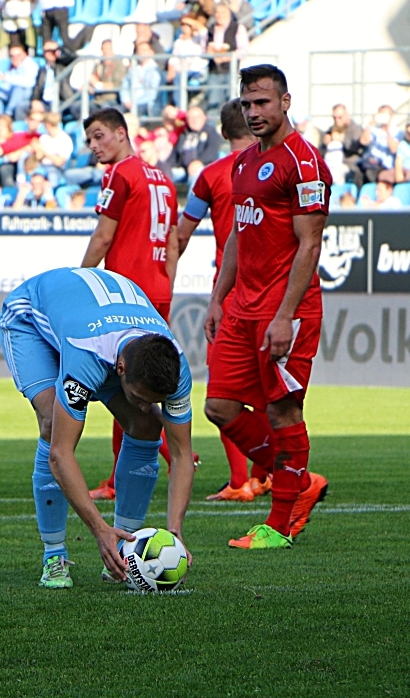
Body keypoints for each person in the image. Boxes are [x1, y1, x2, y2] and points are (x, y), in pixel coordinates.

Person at [0, 267, 195, 589]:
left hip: (95, 320)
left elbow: (183, 454)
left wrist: (174, 532)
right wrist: (98, 528)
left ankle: (123, 551)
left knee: (145, 425)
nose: (146, 405)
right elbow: (61, 455)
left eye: (153, 400)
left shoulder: (177, 368)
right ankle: (54, 557)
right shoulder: (87, 359)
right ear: (120, 370)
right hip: (29, 320)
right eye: (140, 397)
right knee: (52, 422)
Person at [203, 64, 330, 550]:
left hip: (285, 311)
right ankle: (300, 479)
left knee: (282, 411)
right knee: (219, 407)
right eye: (246, 104)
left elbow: (310, 245)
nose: (253, 112)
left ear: (285, 103)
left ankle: (278, 526)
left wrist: (284, 316)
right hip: (241, 308)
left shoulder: (304, 163)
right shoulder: (243, 163)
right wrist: (218, 297)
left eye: (262, 103)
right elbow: (238, 233)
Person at [79, 108, 179, 502]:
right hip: (158, 290)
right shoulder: (164, 179)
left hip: (127, 293)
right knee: (145, 381)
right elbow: (171, 243)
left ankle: (171, 458)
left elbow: (104, 236)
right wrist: (166, 283)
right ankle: (125, 475)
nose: (94, 145)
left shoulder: (120, 175)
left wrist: (82, 279)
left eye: (99, 135)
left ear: (122, 133)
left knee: (121, 383)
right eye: (89, 139)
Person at [176, 99, 265, 503]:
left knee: (223, 389)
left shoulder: (211, 176)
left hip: (230, 293)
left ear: (223, 132)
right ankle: (266, 475)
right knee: (268, 387)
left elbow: (182, 233)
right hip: (271, 290)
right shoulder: (273, 167)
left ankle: (238, 480)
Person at [204, 2, 248, 107]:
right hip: (214, 71)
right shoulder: (210, 29)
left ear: (229, 13)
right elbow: (203, 49)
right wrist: (208, 52)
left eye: (222, 12)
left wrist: (227, 57)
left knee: (233, 101)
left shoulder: (238, 28)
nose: (219, 15)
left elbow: (243, 50)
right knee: (212, 103)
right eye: (217, 12)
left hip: (231, 71)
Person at [169, 103, 223, 181]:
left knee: (196, 174)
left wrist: (198, 162)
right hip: (183, 169)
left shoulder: (211, 132)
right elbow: (175, 155)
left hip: (204, 168)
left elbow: (212, 151)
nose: (194, 120)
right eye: (191, 117)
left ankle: (192, 193)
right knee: (166, 174)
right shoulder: (184, 134)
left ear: (204, 117)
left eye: (197, 117)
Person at [0, 43, 40, 120]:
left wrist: (3, 77)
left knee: (19, 89)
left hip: (26, 95)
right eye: (12, 56)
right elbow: (8, 86)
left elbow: (29, 83)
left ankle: (8, 114)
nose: (15, 58)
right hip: (12, 95)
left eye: (18, 55)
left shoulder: (31, 65)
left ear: (24, 54)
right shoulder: (11, 66)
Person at [357, 105, 399, 185]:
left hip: (383, 165)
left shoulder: (396, 131)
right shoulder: (374, 129)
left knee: (370, 173)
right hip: (369, 161)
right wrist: (371, 123)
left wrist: (387, 130)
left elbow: (393, 149)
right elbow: (363, 141)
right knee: (358, 172)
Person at [328, 104, 366, 186]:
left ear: (347, 115)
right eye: (334, 118)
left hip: (349, 163)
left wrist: (341, 139)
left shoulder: (355, 129)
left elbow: (354, 147)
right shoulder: (333, 128)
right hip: (332, 162)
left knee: (336, 173)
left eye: (340, 117)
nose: (337, 120)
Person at [33, 112, 74, 186]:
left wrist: (44, 152)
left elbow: (59, 162)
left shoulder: (64, 139)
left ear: (47, 124)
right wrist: (37, 149)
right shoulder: (44, 137)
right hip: (42, 166)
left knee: (52, 176)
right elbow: (38, 157)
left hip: (58, 169)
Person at [88, 40, 128, 108]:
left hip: (112, 100)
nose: (106, 51)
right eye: (103, 49)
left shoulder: (119, 64)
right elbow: (92, 81)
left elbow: (118, 85)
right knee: (76, 107)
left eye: (108, 48)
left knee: (105, 109)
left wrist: (98, 85)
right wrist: (89, 87)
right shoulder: (98, 65)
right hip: (97, 100)